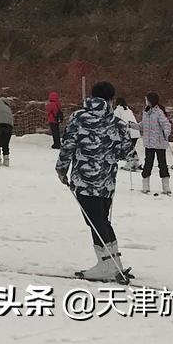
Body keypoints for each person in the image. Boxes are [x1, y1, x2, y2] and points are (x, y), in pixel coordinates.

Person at [56, 81, 136, 281]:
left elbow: (68, 144)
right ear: (111, 99)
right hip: (107, 181)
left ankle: (106, 265)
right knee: (102, 220)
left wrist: (61, 168)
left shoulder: (79, 117)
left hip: (84, 179)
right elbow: (126, 150)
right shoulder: (116, 121)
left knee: (94, 221)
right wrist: (109, 154)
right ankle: (113, 262)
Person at [139, 92, 172, 195]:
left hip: (159, 143)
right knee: (148, 163)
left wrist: (166, 134)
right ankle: (145, 185)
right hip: (149, 143)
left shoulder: (159, 112)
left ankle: (166, 186)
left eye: (146, 99)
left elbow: (166, 124)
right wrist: (133, 126)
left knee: (162, 163)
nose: (145, 101)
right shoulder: (146, 112)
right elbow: (143, 125)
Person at [112, 97, 141, 171]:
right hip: (135, 131)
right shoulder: (128, 110)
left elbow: (117, 122)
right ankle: (137, 163)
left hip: (128, 132)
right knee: (132, 148)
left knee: (127, 149)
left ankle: (130, 164)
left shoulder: (117, 111)